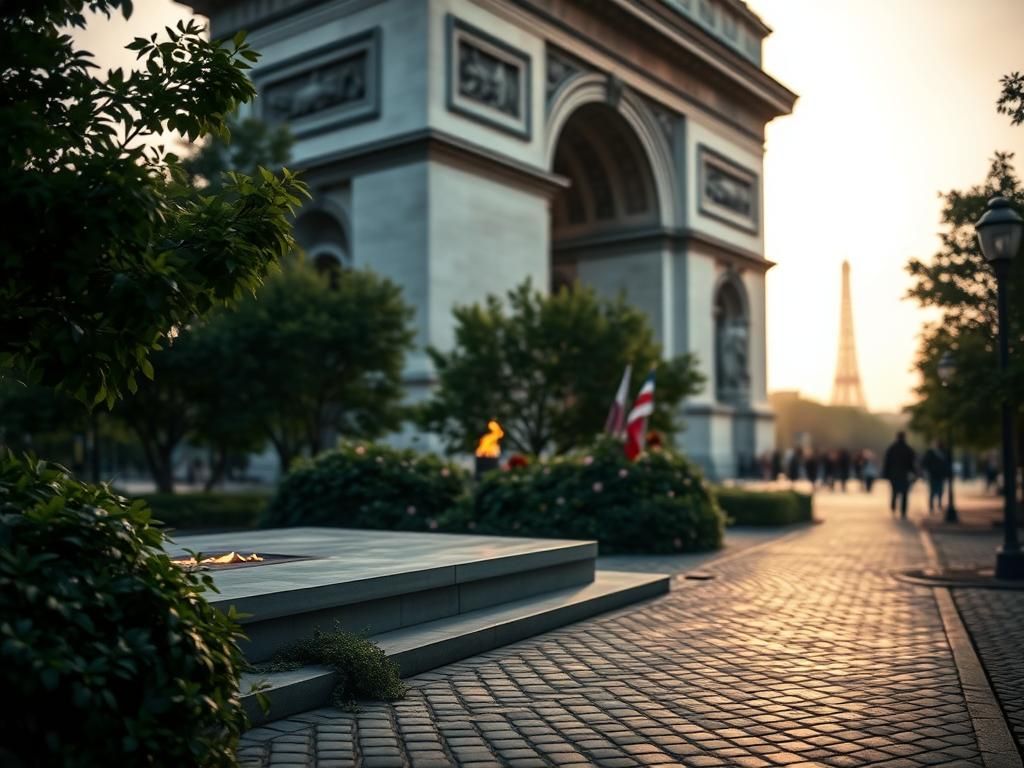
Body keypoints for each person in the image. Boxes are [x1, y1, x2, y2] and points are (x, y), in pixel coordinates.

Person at [882, 432, 917, 518]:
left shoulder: (892, 448)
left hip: (893, 474)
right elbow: (912, 463)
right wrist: (914, 472)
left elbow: (887, 462)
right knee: (904, 493)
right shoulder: (908, 449)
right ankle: (903, 511)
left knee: (894, 491)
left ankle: (893, 506)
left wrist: (885, 474)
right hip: (904, 474)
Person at [921, 440, 948, 515]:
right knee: (934, 491)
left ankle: (937, 505)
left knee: (939, 491)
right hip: (933, 475)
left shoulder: (944, 452)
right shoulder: (931, 453)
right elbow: (925, 463)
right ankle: (932, 506)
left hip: (939, 476)